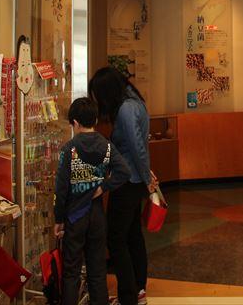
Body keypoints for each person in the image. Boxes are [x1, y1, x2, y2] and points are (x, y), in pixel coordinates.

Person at [54, 97, 131, 305]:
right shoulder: (106, 146)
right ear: (95, 120)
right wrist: (103, 187)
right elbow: (124, 171)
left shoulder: (69, 149)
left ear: (75, 122)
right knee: (97, 271)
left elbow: (61, 189)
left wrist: (58, 219)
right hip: (96, 216)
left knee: (71, 272)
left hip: (74, 216)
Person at [89, 67, 156, 305]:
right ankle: (138, 290)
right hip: (134, 180)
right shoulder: (136, 101)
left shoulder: (126, 109)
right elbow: (140, 147)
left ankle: (129, 296)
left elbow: (137, 148)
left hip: (127, 181)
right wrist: (146, 176)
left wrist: (147, 179)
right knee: (132, 235)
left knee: (116, 239)